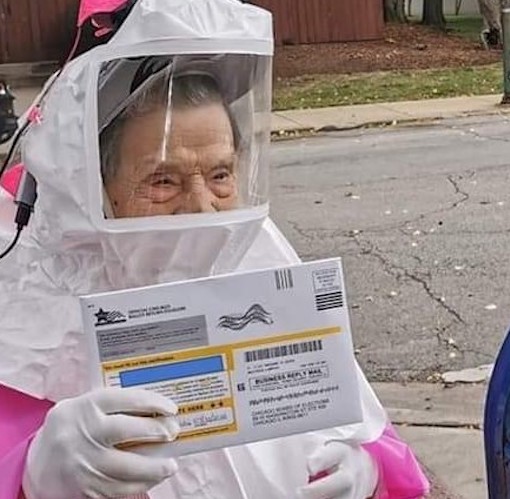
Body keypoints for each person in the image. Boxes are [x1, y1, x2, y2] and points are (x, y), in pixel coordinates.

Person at [0, 0, 431, 498]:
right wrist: (32, 474)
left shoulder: (252, 247)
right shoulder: (23, 291)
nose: (204, 208)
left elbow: (371, 434)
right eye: (163, 180)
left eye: (221, 174)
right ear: (91, 186)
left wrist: (369, 471)